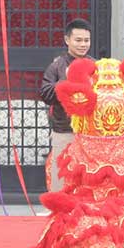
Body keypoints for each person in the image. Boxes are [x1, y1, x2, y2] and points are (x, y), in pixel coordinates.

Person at [39, 18, 93, 192]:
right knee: (60, 175)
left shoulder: (96, 66)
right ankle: (58, 210)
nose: (83, 44)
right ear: (67, 40)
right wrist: (67, 83)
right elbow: (45, 93)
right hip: (64, 129)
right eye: (78, 40)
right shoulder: (57, 66)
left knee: (90, 176)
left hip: (91, 132)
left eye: (86, 40)